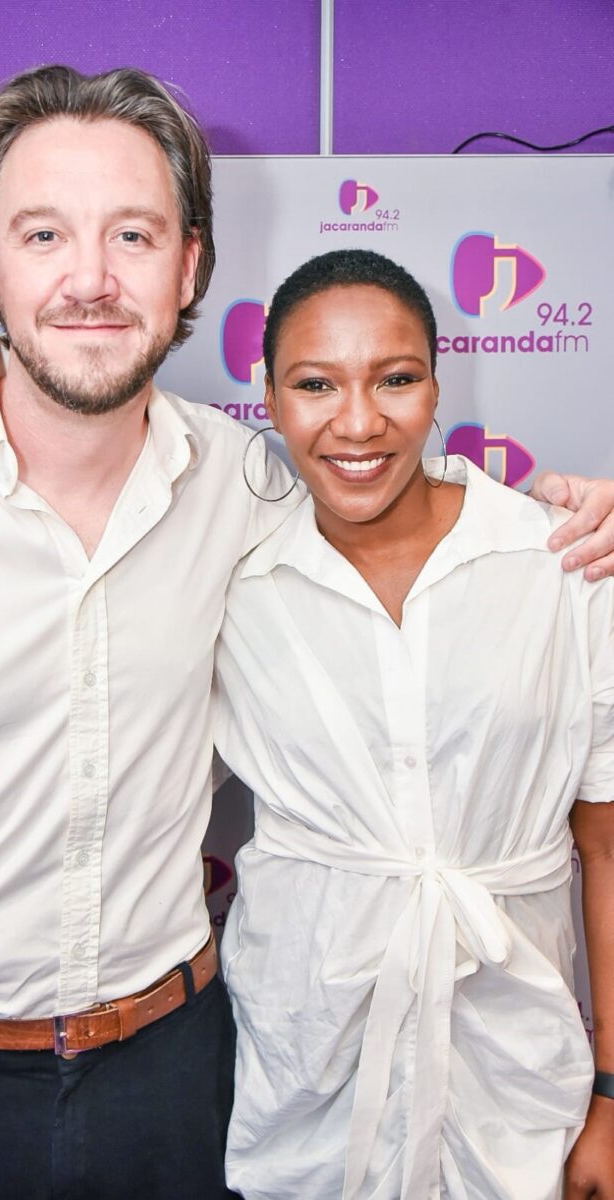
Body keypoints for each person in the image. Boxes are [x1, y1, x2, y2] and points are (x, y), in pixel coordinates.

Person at [0, 68, 614, 1200]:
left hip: (175, 1077)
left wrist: (574, 518)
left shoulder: (249, 485)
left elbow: (389, 484)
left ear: (189, 264)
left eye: (133, 235)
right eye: (43, 234)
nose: (90, 279)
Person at [211, 249, 614, 1199]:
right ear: (269, 397)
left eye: (395, 379)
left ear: (437, 386)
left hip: (517, 1080)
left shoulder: (560, 561)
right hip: (308, 1074)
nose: (358, 422)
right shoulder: (231, 582)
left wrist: (611, 1090)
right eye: (316, 384)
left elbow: (606, 846)